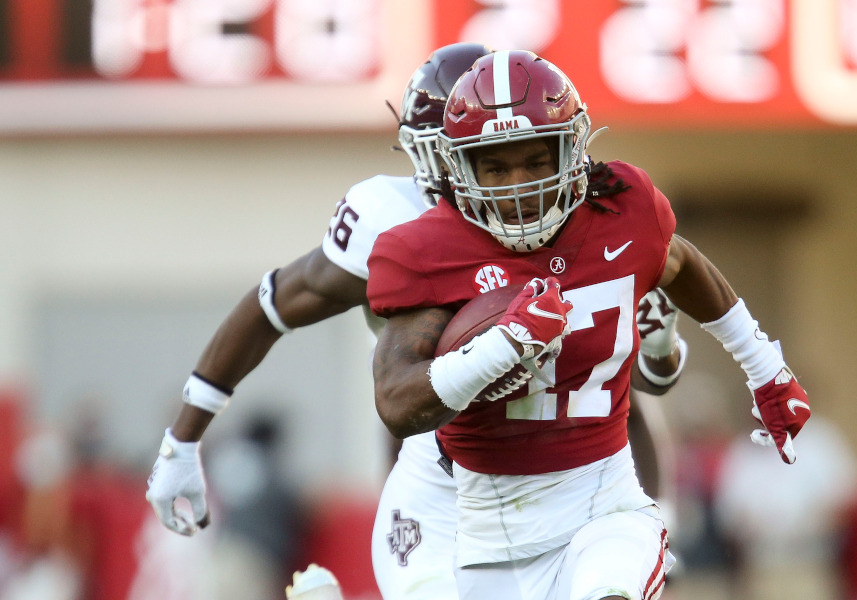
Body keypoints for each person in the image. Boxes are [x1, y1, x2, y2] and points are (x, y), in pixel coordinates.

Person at [142, 43, 687, 600]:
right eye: (473, 154)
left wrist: (661, 355)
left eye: (514, 152)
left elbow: (626, 391)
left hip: (557, 480)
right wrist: (181, 441)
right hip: (438, 473)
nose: (496, 180)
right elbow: (273, 306)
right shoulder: (394, 221)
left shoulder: (568, 224)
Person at [366, 49, 811, 600]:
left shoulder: (623, 212)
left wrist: (764, 365)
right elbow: (395, 402)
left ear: (572, 151)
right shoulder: (430, 249)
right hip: (485, 530)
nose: (519, 186)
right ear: (462, 169)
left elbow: (680, 261)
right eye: (496, 167)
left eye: (536, 161)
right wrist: (504, 345)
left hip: (603, 507)